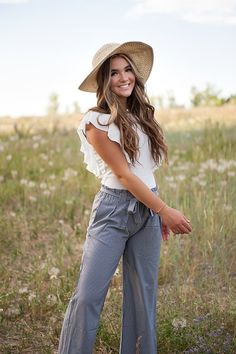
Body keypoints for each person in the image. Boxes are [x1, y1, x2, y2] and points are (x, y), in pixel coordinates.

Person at [58, 41, 192, 354]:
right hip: (113, 211)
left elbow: (145, 173)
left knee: (144, 297)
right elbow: (125, 175)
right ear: (104, 80)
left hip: (148, 209)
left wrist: (155, 210)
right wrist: (164, 210)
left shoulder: (143, 117)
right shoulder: (96, 122)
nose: (123, 77)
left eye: (127, 69)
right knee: (89, 295)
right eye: (114, 72)